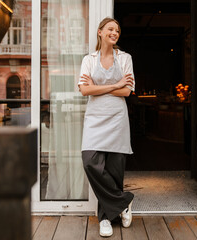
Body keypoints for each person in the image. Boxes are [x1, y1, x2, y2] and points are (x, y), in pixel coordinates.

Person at [78, 17, 135, 237]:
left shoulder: (125, 58)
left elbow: (127, 92)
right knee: (90, 162)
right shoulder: (89, 59)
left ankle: (105, 219)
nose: (115, 33)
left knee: (114, 170)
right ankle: (124, 202)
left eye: (118, 30)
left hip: (117, 118)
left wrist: (99, 87)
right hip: (95, 119)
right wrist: (115, 84)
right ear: (100, 32)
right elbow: (84, 90)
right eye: (111, 29)